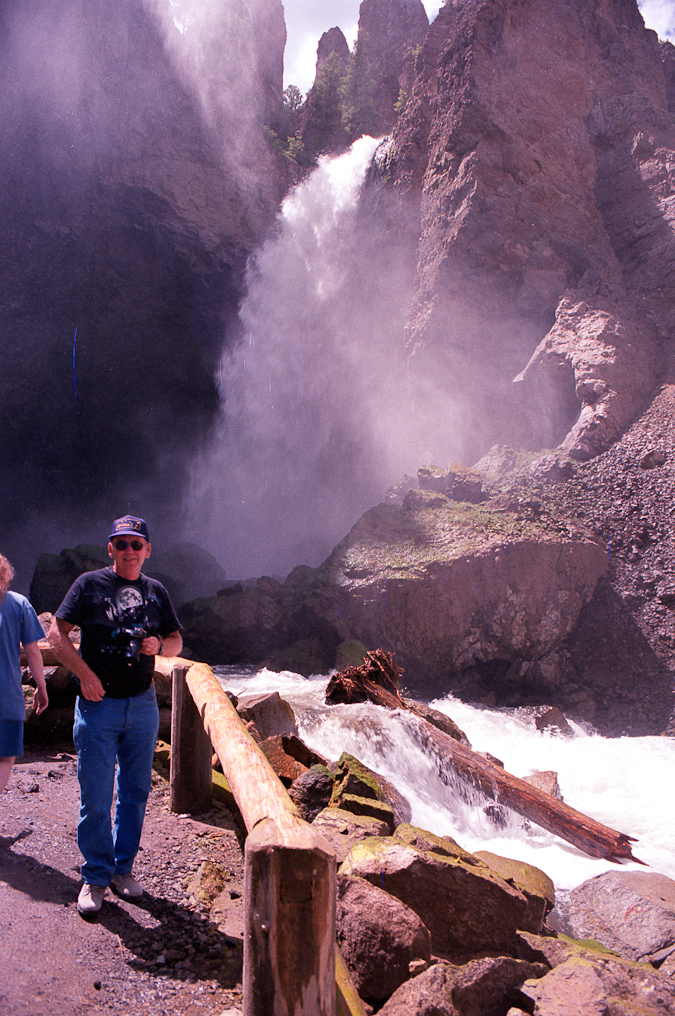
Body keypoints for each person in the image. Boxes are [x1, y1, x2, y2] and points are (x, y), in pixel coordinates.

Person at [47, 516, 182, 917]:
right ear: (110, 549)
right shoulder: (89, 585)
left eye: (135, 545)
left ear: (147, 550)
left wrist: (161, 647)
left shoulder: (156, 592)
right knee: (96, 795)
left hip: (142, 706)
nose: (128, 552)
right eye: (121, 544)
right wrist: (84, 674)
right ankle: (96, 876)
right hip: (98, 706)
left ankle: (123, 870)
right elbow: (56, 633)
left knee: (136, 792)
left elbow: (176, 640)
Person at [0, 553, 49, 794]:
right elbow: (32, 650)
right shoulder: (19, 604)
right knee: (4, 757)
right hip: (6, 697)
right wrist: (41, 685)